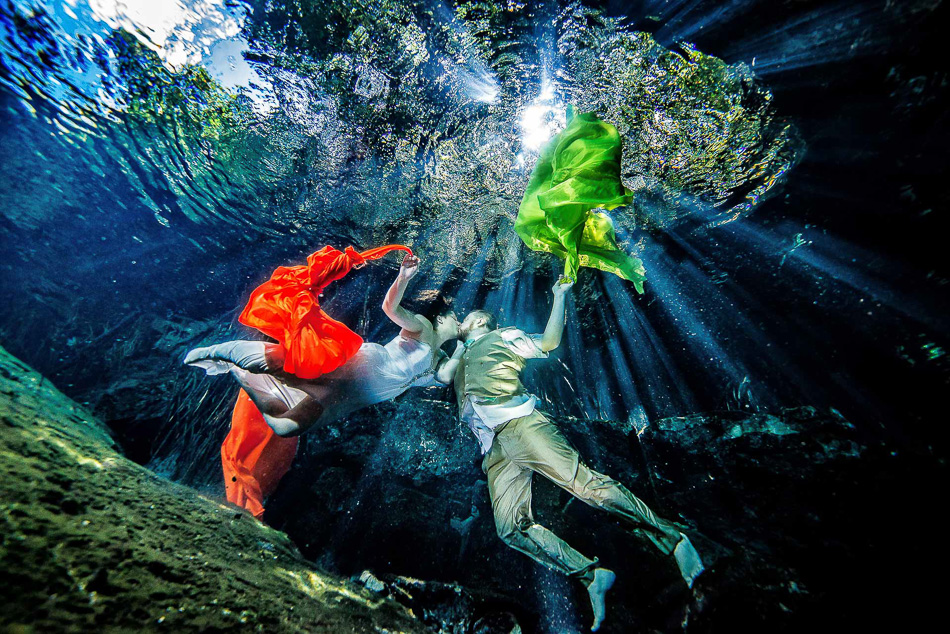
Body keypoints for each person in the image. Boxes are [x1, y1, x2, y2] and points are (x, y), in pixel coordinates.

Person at [441, 278, 704, 632]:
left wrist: (559, 296)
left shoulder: (503, 336)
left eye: (467, 317)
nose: (462, 319)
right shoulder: (458, 362)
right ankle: (591, 574)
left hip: (521, 425)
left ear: (480, 322)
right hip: (494, 448)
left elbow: (549, 342)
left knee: (586, 487)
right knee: (510, 529)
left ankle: (674, 539)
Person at [185, 253, 459, 437]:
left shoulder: (441, 361)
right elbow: (390, 307)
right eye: (455, 320)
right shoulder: (424, 327)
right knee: (287, 366)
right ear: (443, 318)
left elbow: (445, 378)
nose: (457, 327)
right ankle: (217, 351)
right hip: (368, 369)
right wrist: (404, 278)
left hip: (363, 396)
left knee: (285, 428)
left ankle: (238, 372)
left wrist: (462, 347)